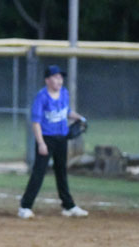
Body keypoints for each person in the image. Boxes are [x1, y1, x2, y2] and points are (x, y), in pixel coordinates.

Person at [18, 65, 89, 220]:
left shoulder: (64, 93)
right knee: (39, 172)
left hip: (61, 138)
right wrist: (41, 143)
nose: (59, 80)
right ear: (47, 80)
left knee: (61, 172)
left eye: (61, 77)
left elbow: (67, 112)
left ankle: (68, 206)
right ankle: (25, 207)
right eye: (56, 77)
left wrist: (79, 117)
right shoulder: (42, 97)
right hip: (46, 139)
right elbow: (36, 122)